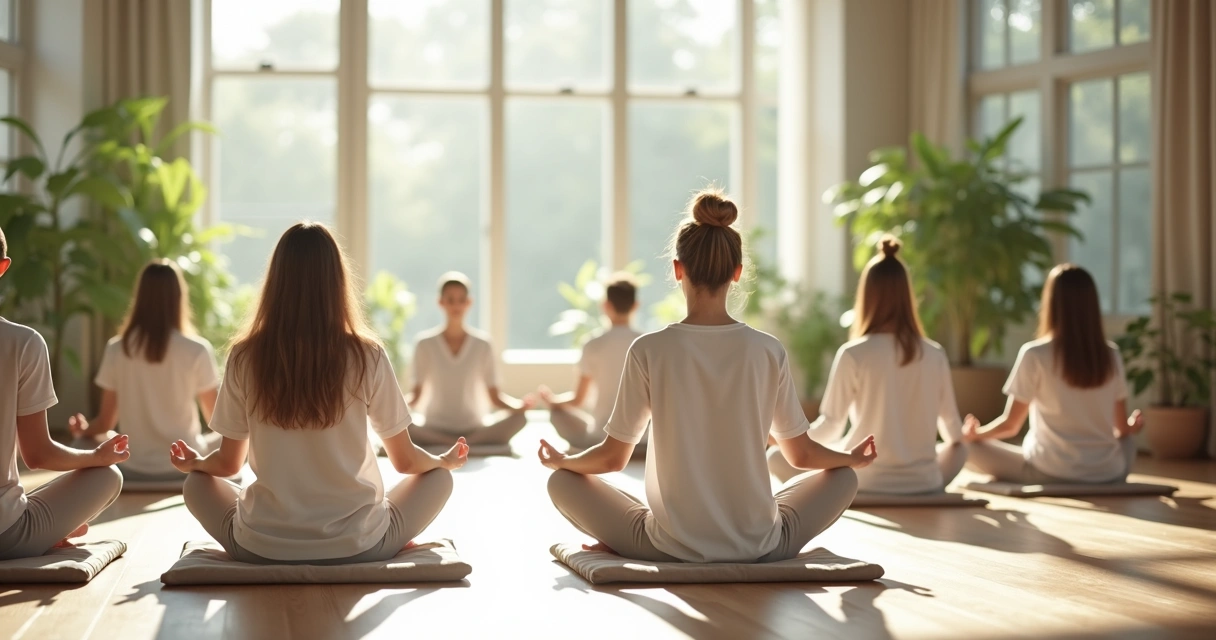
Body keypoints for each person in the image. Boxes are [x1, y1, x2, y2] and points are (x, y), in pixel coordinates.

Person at [539, 190, 876, 563]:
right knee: (844, 476)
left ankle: (631, 538)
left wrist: (564, 462)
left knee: (561, 483)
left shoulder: (649, 350)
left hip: (667, 545)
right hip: (762, 544)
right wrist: (851, 457)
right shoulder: (768, 350)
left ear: (677, 269)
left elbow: (612, 459)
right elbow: (802, 454)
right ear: (737, 272)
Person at [172, 223, 468, 565]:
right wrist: (442, 461)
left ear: (276, 282)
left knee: (196, 484)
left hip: (262, 547)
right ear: (337, 282)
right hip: (359, 544)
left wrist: (196, 463)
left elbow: (227, 463)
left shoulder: (244, 355)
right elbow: (405, 460)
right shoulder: (367, 354)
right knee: (439, 479)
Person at [767, 237, 969, 494]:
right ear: (908, 297)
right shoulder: (935, 353)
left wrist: (785, 439)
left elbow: (831, 427)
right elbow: (954, 432)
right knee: (962, 449)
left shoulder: (854, 354)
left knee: (775, 457)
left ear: (867, 297)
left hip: (863, 481)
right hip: (924, 481)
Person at [0, 225, 127, 561]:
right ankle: (54, 529)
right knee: (107, 475)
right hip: (6, 535)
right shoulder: (22, 343)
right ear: (3, 267)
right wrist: (95, 457)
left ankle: (54, 525)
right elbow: (38, 455)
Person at [964, 264, 1143, 484]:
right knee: (1128, 443)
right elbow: (1122, 429)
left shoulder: (1035, 354)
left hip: (1050, 471)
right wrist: (1133, 426)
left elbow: (1010, 426)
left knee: (964, 446)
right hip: (1108, 472)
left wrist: (975, 434)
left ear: (1051, 303)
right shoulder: (1111, 355)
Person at [69, 260, 224, 482]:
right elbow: (217, 422)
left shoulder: (117, 348)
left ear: (140, 297)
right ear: (179, 297)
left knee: (82, 444)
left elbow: (105, 423)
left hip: (131, 466)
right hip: (186, 463)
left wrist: (82, 430)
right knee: (237, 440)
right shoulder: (197, 349)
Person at [406, 272, 534, 447]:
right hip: (434, 427)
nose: (456, 306)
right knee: (402, 426)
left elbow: (495, 397)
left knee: (519, 419)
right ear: (441, 302)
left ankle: (455, 444)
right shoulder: (424, 344)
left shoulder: (483, 345)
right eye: (450, 300)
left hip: (474, 427)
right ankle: (463, 445)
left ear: (469, 302)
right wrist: (395, 407)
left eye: (461, 300)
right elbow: (415, 396)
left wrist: (519, 406)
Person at [540, 274, 644, 451]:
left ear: (605, 306)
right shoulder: (645, 342)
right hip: (642, 438)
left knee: (558, 414)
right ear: (635, 306)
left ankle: (597, 449)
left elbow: (577, 399)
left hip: (600, 437)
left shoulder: (592, 344)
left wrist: (553, 401)